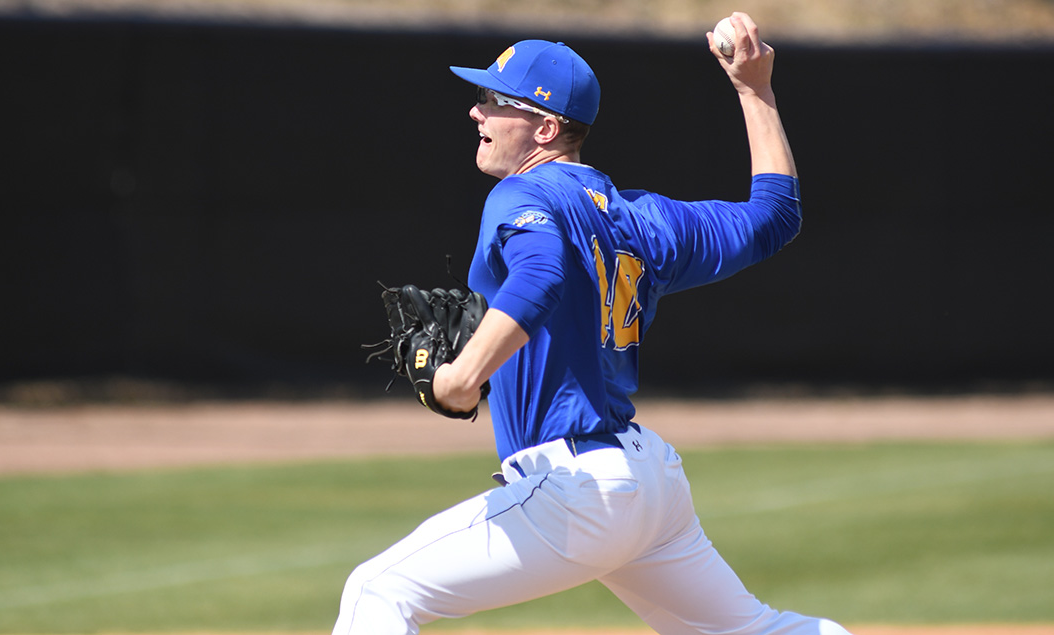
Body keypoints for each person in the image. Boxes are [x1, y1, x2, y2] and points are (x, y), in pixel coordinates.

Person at [334, 13, 854, 635]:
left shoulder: (523, 195)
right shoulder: (644, 220)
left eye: (496, 101)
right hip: (647, 485)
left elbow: (542, 275)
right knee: (755, 631)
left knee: (378, 592)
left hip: (576, 486)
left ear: (546, 128)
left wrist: (461, 378)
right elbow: (773, 216)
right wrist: (754, 91)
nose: (477, 112)